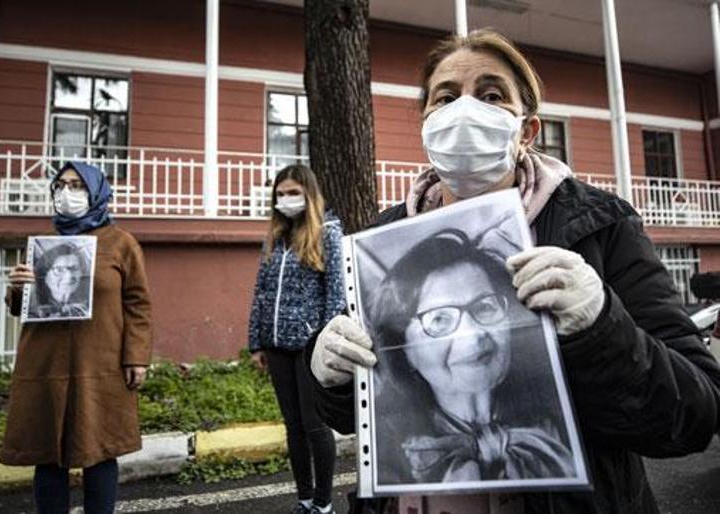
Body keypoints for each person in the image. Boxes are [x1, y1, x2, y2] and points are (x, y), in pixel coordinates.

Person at [306, 29, 720, 513]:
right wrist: (332, 377)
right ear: (426, 124)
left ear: (526, 130)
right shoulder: (386, 238)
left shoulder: (599, 225)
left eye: (491, 95)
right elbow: (369, 408)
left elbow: (696, 413)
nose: (465, 110)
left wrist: (602, 326)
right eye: (445, 97)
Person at [2, 161, 152, 514]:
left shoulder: (120, 243)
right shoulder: (46, 245)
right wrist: (16, 287)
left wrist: (137, 357)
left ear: (97, 191)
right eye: (61, 185)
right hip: (46, 363)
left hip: (100, 363)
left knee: (99, 450)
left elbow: (138, 303)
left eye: (77, 185)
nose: (68, 193)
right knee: (48, 452)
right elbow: (22, 306)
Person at [371, 228, 574, 485]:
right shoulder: (387, 449)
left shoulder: (560, 411)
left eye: (485, 307)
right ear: (405, 351)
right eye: (440, 319)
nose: (473, 334)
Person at [247, 163, 346, 514]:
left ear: (309, 194)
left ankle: (323, 503)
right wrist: (256, 342)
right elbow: (260, 292)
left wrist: (324, 344)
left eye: (293, 193)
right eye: (280, 194)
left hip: (309, 349)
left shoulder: (328, 234)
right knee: (293, 427)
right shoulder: (275, 237)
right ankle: (304, 499)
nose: (286, 200)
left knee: (314, 426)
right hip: (276, 346)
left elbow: (336, 295)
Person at [30, 241, 92, 319]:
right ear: (44, 275)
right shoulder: (34, 307)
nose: (68, 276)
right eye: (59, 270)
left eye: (74, 269)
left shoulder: (86, 307)